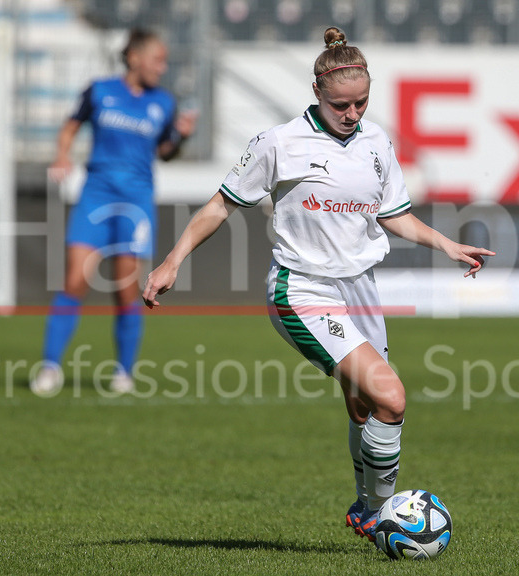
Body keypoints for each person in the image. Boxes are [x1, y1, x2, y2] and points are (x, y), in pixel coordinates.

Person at [141, 27, 494, 542]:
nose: (353, 114)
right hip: (301, 290)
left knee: (362, 405)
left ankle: (366, 509)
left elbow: (393, 215)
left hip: (361, 289)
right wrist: (172, 261)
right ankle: (377, 514)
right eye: (342, 105)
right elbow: (221, 204)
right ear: (317, 93)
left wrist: (446, 245)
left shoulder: (376, 141)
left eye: (362, 103)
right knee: (391, 398)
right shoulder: (278, 143)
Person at [31, 28, 198, 395]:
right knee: (75, 280)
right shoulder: (100, 91)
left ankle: (123, 373)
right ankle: (50, 367)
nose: (162, 66)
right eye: (157, 59)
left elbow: (165, 152)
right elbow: (72, 124)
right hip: (96, 195)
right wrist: (62, 154)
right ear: (134, 57)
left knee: (125, 290)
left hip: (136, 203)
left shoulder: (164, 103)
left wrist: (182, 136)